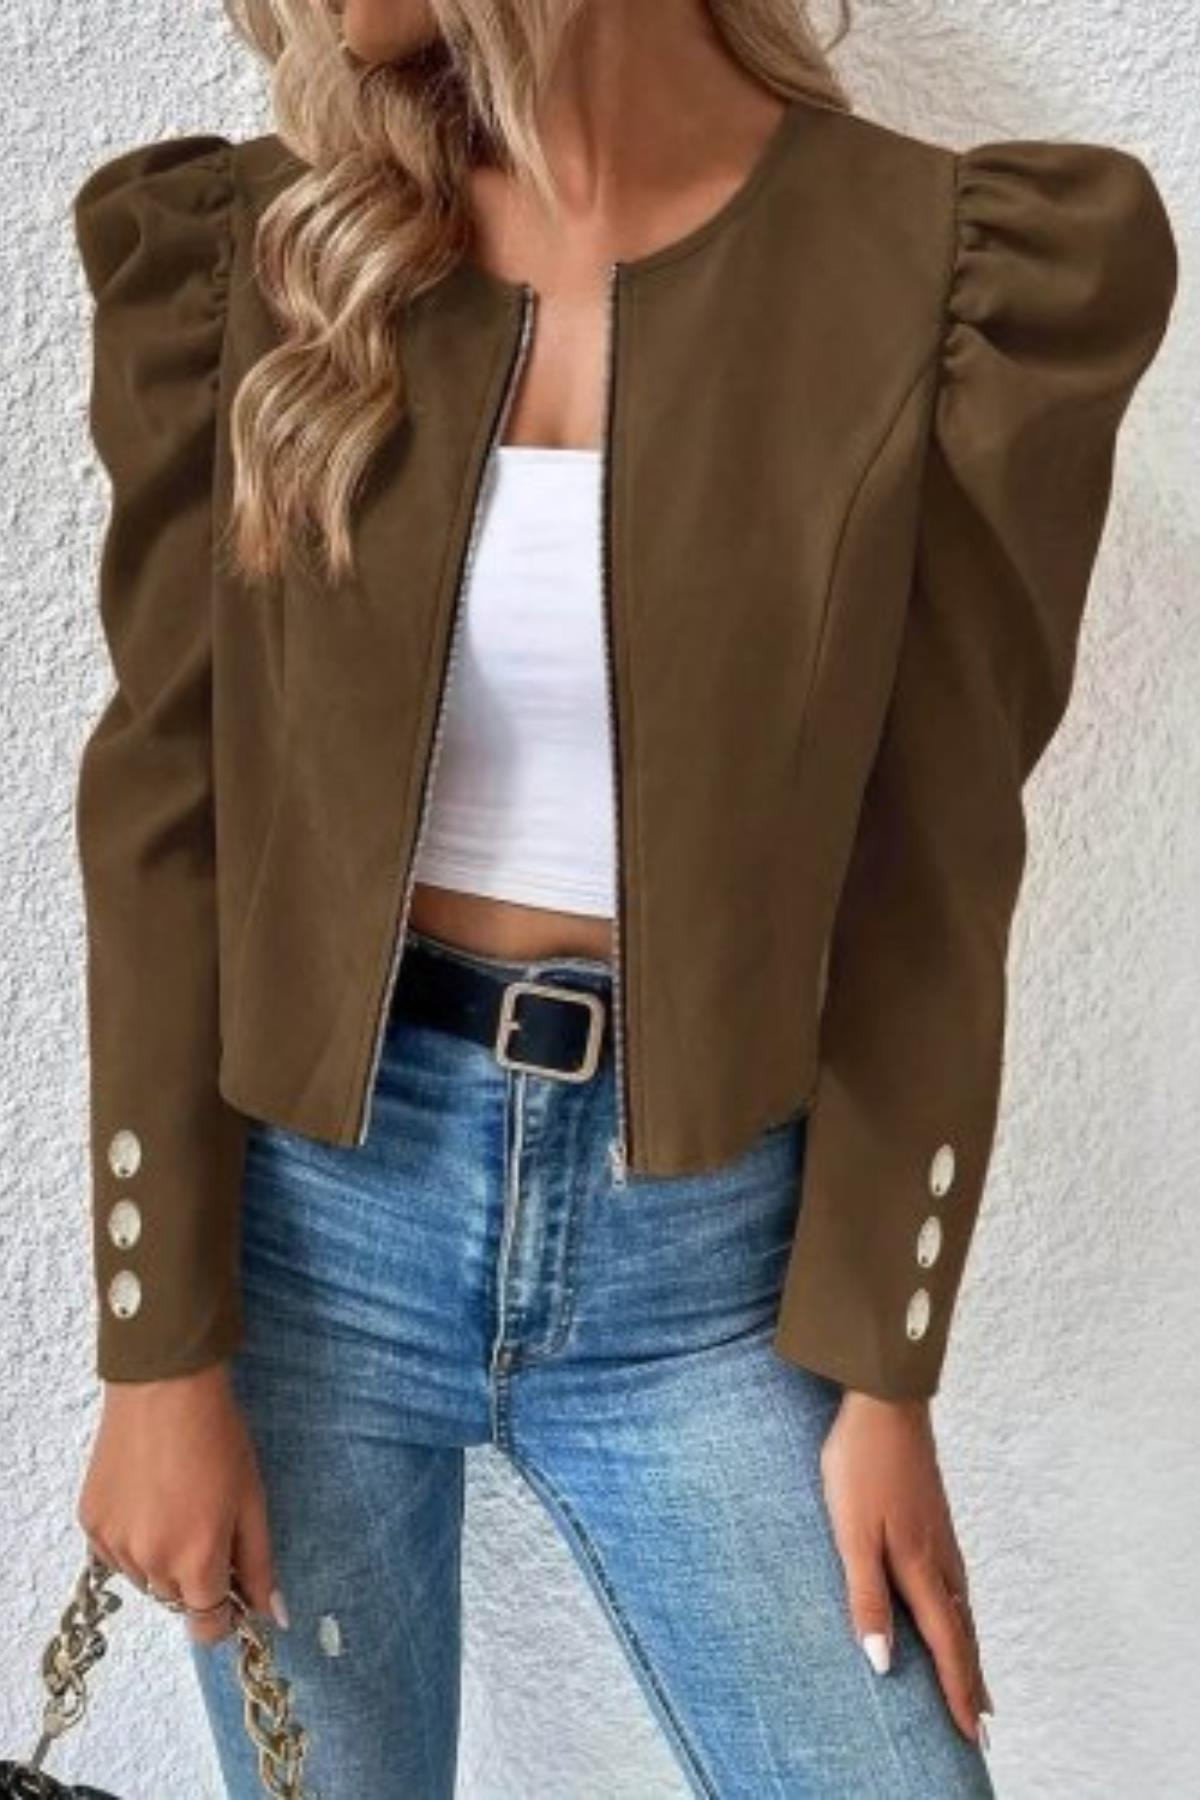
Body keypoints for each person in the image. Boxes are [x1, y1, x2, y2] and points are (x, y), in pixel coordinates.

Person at [68, 1, 1176, 1794]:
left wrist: (884, 1372)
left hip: (706, 1269)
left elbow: (935, 860)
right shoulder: (261, 252)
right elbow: (161, 819)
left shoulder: (949, 277)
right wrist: (155, 1351)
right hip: (309, 1254)